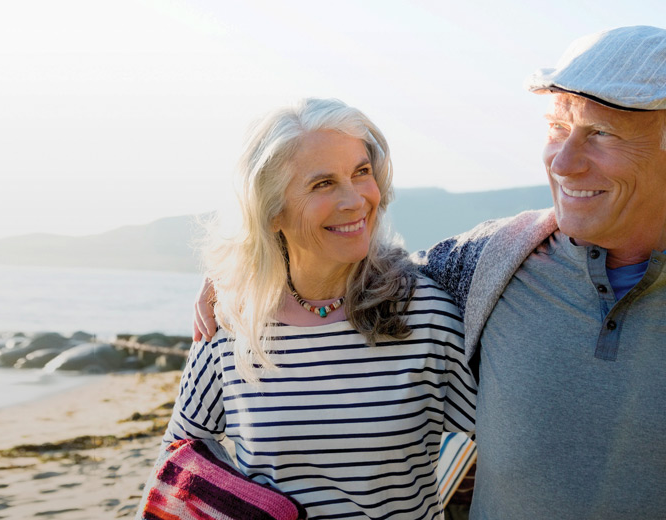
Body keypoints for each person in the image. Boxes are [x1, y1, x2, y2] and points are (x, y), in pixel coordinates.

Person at [194, 26, 666, 519]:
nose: (563, 161)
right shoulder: (483, 266)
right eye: (557, 129)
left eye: (599, 134)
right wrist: (245, 275)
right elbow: (351, 271)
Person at [147, 98, 476, 519]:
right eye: (323, 184)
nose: (356, 200)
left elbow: (511, 448)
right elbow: (177, 462)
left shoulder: (423, 313)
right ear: (271, 213)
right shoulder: (231, 319)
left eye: (361, 172)